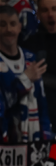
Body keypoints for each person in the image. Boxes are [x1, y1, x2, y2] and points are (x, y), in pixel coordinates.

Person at [0, 5, 50, 142]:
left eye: (12, 24)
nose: (8, 29)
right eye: (2, 25)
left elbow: (41, 103)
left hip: (32, 142)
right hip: (6, 142)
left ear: (19, 27)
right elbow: (4, 103)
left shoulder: (31, 59)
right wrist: (25, 80)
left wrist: (47, 135)